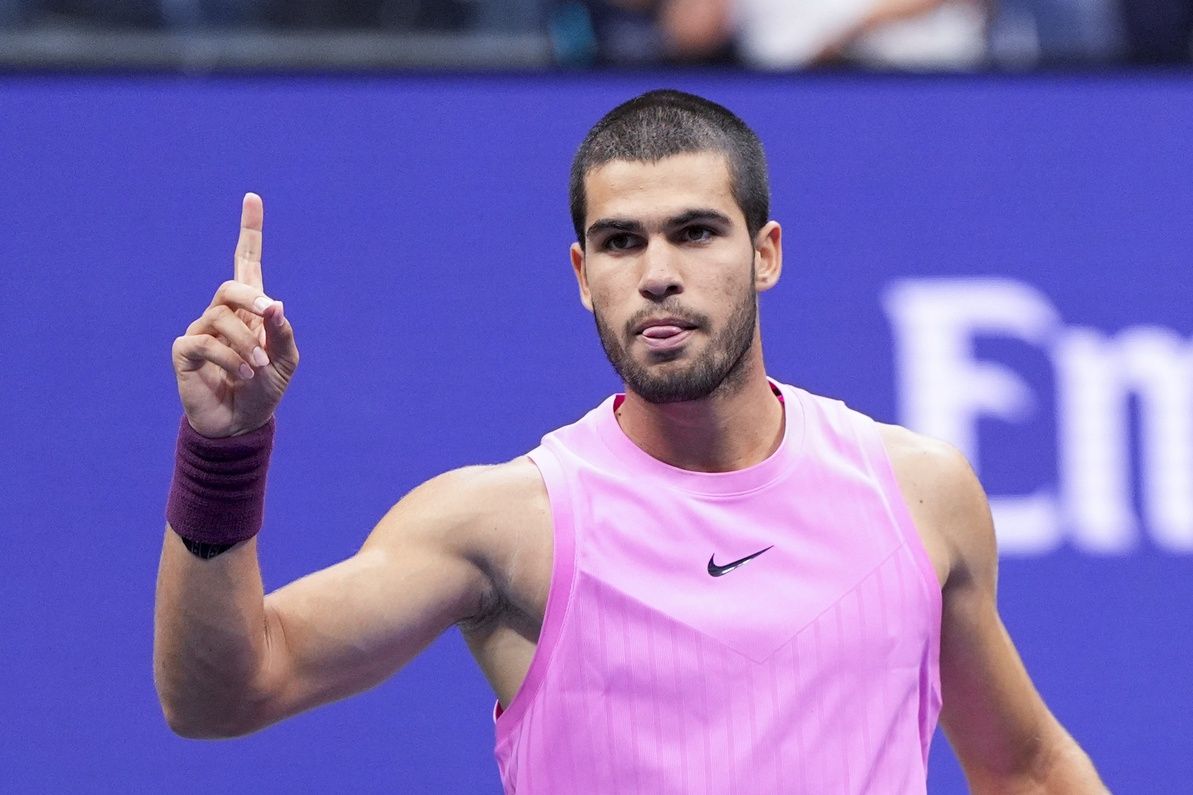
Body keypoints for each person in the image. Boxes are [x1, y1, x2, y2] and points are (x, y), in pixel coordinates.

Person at [155, 89, 1106, 793]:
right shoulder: (502, 524)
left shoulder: (919, 491)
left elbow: (1024, 767)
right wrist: (224, 450)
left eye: (695, 232)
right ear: (581, 273)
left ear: (764, 253)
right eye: (619, 242)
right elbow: (222, 696)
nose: (656, 274)